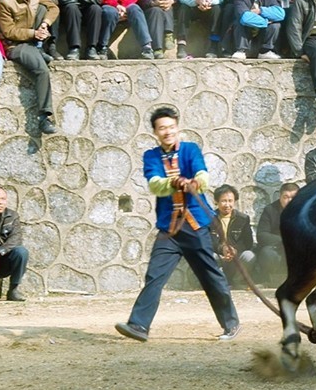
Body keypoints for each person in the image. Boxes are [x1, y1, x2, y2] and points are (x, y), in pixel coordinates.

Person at [115, 106, 240, 343]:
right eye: (162, 128)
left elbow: (203, 178)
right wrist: (174, 183)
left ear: (177, 128)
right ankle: (139, 325)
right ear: (155, 132)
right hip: (169, 231)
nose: (167, 132)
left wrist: (194, 182)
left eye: (171, 127)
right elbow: (155, 185)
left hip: (195, 227)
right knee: (155, 276)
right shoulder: (151, 156)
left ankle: (231, 324)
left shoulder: (190, 150)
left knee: (211, 276)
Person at [0, 0, 59, 135]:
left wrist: (44, 25)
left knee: (42, 10)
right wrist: (33, 34)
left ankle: (38, 49)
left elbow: (53, 8)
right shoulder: (5, 2)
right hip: (15, 45)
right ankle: (45, 116)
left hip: (32, 38)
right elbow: (9, 31)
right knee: (42, 70)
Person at [208, 184, 256, 287]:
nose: (227, 204)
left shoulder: (242, 219)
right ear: (216, 201)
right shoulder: (209, 218)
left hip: (236, 257)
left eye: (230, 201)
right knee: (210, 256)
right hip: (218, 257)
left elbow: (248, 242)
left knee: (249, 255)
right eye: (223, 201)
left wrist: (234, 250)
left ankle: (237, 282)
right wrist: (222, 249)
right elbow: (208, 240)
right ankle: (218, 283)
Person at [254, 181, 298, 282]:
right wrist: (284, 241)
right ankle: (271, 279)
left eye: (293, 197)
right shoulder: (270, 210)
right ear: (280, 197)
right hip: (276, 247)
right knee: (267, 253)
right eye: (285, 197)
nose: (289, 201)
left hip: (297, 249)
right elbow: (261, 235)